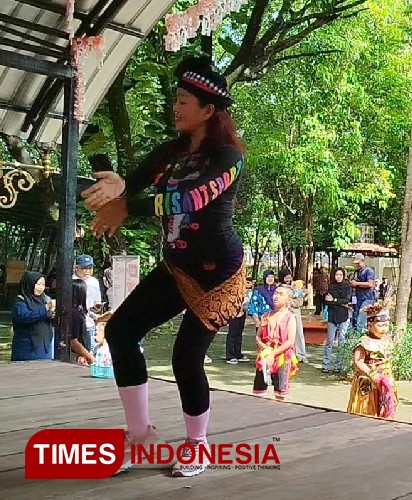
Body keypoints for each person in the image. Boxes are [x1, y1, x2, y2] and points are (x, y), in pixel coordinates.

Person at [81, 55, 246, 478]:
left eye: (185, 101)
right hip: (176, 266)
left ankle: (198, 445)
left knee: (184, 357)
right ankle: (140, 438)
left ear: (209, 111)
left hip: (216, 274)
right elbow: (130, 184)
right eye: (176, 98)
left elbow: (187, 200)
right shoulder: (171, 152)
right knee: (120, 330)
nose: (176, 107)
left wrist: (127, 209)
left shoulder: (228, 157)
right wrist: (113, 188)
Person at [347, 296, 397, 418]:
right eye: (380, 326)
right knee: (367, 409)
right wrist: (372, 374)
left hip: (385, 381)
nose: (384, 329)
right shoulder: (364, 342)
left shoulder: (387, 340)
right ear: (370, 325)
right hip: (369, 382)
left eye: (386, 325)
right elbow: (358, 361)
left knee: (385, 408)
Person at [253, 285, 298, 401]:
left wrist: (273, 354)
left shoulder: (290, 317)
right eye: (275, 293)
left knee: (280, 394)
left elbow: (290, 341)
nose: (276, 297)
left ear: (288, 300)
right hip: (265, 357)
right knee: (258, 393)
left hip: (282, 358)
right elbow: (258, 336)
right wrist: (265, 349)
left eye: (280, 294)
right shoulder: (266, 316)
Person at [10, 271, 55, 361]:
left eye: (43, 284)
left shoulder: (44, 299)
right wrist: (45, 308)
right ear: (30, 283)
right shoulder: (20, 300)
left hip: (45, 343)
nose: (40, 288)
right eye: (38, 284)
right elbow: (24, 317)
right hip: (27, 346)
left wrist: (53, 314)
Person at [323, 268, 353, 373]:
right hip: (332, 316)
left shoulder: (347, 286)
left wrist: (335, 300)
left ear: (343, 275)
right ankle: (326, 364)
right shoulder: (331, 286)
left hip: (343, 316)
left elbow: (347, 300)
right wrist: (336, 301)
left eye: (340, 274)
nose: (338, 276)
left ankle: (338, 365)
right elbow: (327, 301)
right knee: (330, 341)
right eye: (336, 274)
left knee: (342, 341)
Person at [73, 254, 103, 352]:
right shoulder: (70, 281)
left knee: (91, 349)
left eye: (90, 268)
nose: (87, 271)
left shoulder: (94, 282)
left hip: (90, 321)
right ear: (76, 268)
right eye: (84, 268)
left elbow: (97, 300)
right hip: (75, 323)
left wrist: (97, 307)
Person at [279, 270, 308, 363]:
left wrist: (293, 299)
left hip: (295, 312)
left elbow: (300, 301)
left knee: (299, 333)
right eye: (286, 277)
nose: (288, 279)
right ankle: (286, 354)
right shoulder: (280, 287)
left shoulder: (296, 286)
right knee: (285, 334)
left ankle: (301, 355)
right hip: (284, 312)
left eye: (289, 277)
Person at [225, 276, 252, 364]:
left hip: (242, 314)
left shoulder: (249, 292)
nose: (249, 284)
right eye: (247, 282)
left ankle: (237, 353)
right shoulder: (235, 289)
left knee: (239, 334)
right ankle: (230, 355)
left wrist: (243, 310)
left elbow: (247, 304)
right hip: (234, 314)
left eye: (251, 283)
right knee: (232, 334)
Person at [70, 279, 96, 366]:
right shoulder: (74, 314)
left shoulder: (78, 310)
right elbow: (73, 341)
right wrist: (89, 356)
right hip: (77, 355)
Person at [350, 253, 376, 330]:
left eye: (358, 263)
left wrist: (357, 283)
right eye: (356, 263)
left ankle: (360, 334)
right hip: (358, 297)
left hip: (367, 298)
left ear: (362, 261)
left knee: (361, 318)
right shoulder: (357, 271)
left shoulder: (369, 271)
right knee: (356, 316)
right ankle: (356, 332)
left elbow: (370, 284)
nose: (357, 265)